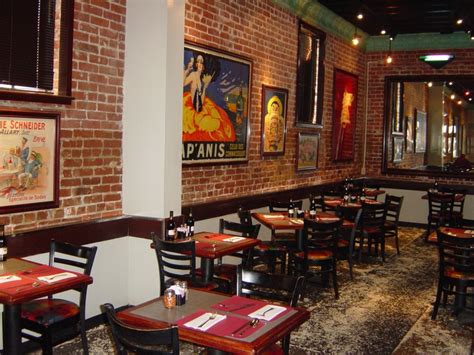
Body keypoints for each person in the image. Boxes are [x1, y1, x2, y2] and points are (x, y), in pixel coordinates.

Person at [182, 54, 235, 142]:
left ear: (203, 66)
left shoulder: (202, 80)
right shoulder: (193, 74)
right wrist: (187, 70)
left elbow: (201, 100)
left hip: (200, 106)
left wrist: (205, 87)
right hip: (190, 105)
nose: (199, 64)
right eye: (198, 62)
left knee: (218, 124)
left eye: (201, 62)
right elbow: (182, 83)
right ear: (195, 64)